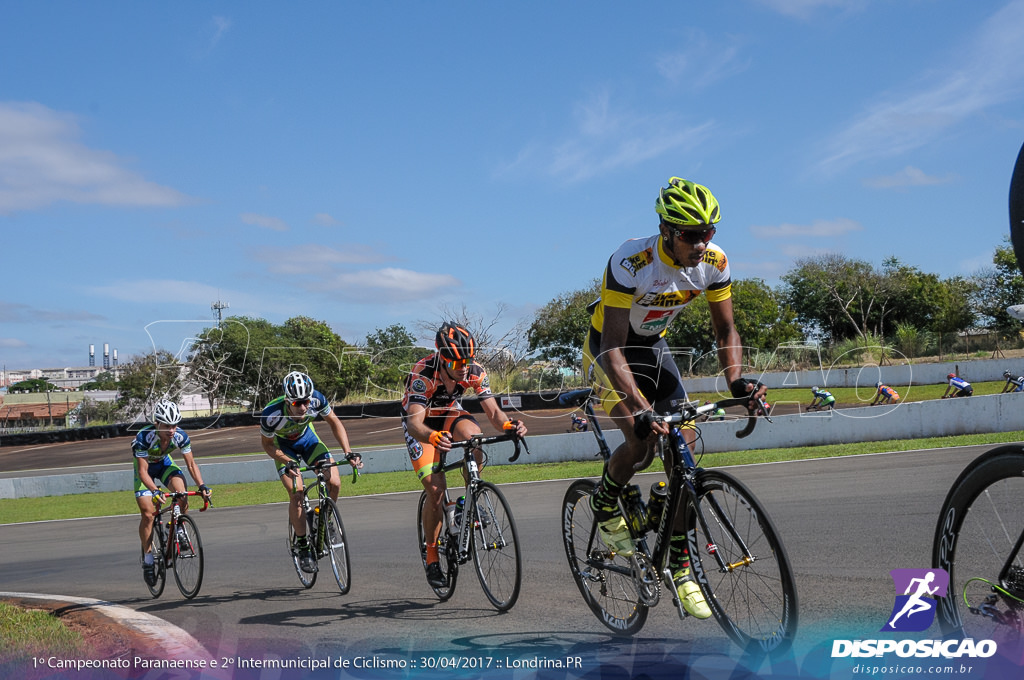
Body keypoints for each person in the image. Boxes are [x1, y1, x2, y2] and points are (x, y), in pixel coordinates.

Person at [582, 177, 766, 620]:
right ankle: (605, 502)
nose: (702, 242)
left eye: (709, 231)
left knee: (684, 453)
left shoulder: (715, 262)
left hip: (653, 349)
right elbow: (612, 347)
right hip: (610, 351)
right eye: (691, 234)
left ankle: (681, 568)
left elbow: (725, 331)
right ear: (666, 230)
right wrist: (642, 410)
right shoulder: (632, 260)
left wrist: (737, 382)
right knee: (642, 445)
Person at [401, 322, 528, 588]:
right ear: (442, 358)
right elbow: (414, 423)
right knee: (435, 490)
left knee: (474, 437)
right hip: (420, 424)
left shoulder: (475, 370)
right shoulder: (423, 372)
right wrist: (431, 437)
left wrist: (508, 425)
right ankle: (432, 556)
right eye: (457, 362)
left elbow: (493, 412)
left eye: (467, 360)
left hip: (448, 414)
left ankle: (467, 499)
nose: (463, 367)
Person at [259, 371, 362, 573]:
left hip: (308, 441)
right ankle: (303, 546)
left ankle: (323, 516)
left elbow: (334, 422)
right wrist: (287, 461)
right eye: (298, 404)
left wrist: (348, 452)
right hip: (283, 448)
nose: (304, 407)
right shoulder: (271, 414)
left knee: (334, 482)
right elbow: (267, 445)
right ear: (288, 401)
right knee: (296, 493)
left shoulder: (317, 399)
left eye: (306, 401)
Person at [133, 399, 211, 587]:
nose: (171, 430)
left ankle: (178, 526)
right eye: (167, 426)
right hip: (145, 471)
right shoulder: (144, 438)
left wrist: (201, 486)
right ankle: (149, 558)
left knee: (181, 494)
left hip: (165, 465)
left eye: (175, 425)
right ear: (157, 423)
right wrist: (154, 490)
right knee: (148, 514)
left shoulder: (180, 436)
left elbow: (191, 464)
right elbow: (143, 472)